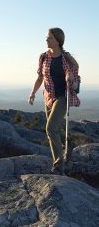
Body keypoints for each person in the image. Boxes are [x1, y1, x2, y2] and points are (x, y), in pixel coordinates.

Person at [28, 28, 80, 175]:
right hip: (48, 97)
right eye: (47, 37)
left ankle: (58, 166)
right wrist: (32, 93)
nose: (46, 40)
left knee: (50, 128)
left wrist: (72, 82)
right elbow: (40, 78)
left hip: (63, 97)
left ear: (58, 41)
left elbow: (75, 80)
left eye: (49, 38)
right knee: (54, 129)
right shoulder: (43, 57)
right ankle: (67, 146)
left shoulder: (67, 58)